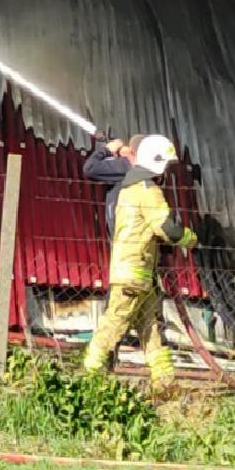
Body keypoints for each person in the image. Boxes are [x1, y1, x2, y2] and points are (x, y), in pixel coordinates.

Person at [83, 134, 199, 393]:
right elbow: (166, 228)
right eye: (166, 166)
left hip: (139, 274)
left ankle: (165, 384)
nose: (167, 172)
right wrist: (190, 239)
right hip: (133, 275)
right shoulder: (148, 192)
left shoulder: (129, 189)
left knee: (151, 329)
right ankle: (88, 381)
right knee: (113, 324)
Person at [83, 134, 144, 234]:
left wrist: (107, 150)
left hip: (124, 237)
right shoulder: (144, 172)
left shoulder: (125, 167)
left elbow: (90, 168)